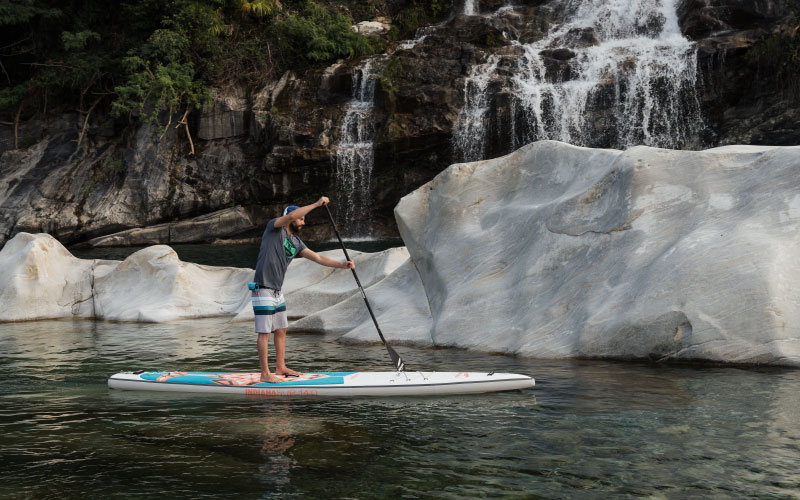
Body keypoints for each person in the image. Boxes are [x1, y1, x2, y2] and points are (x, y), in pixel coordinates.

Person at [251, 196, 355, 383]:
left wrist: (342, 265)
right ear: (291, 218)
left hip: (276, 291)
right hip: (263, 288)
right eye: (301, 219)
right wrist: (316, 204)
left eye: (304, 220)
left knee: (281, 329)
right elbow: (291, 215)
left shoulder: (296, 243)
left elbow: (318, 258)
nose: (303, 222)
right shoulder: (274, 228)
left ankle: (280, 367)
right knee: (264, 332)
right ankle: (265, 373)